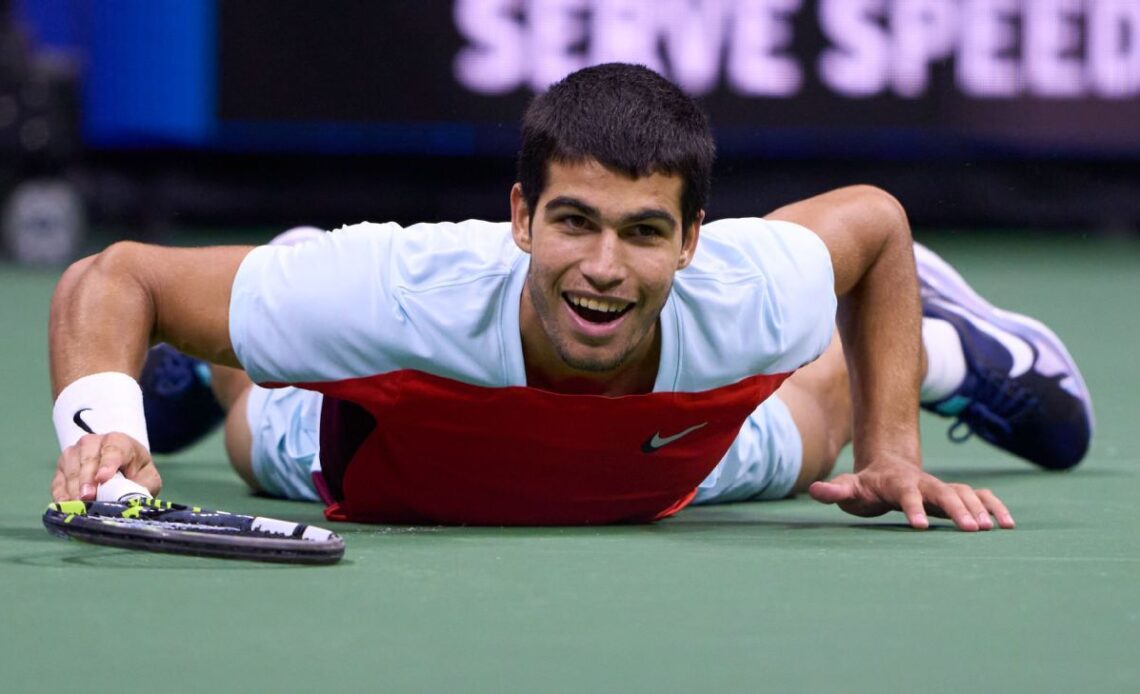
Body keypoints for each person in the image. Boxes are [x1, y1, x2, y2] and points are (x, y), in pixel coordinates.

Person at [48, 63, 1092, 531]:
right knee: (253, 422)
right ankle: (200, 362)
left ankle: (951, 352)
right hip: (397, 439)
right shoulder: (397, 289)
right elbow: (117, 273)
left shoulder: (748, 284)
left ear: (693, 238)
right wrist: (102, 430)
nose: (602, 265)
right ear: (520, 216)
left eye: (644, 233)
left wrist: (893, 449)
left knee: (813, 428)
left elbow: (875, 221)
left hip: (662, 460)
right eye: (575, 222)